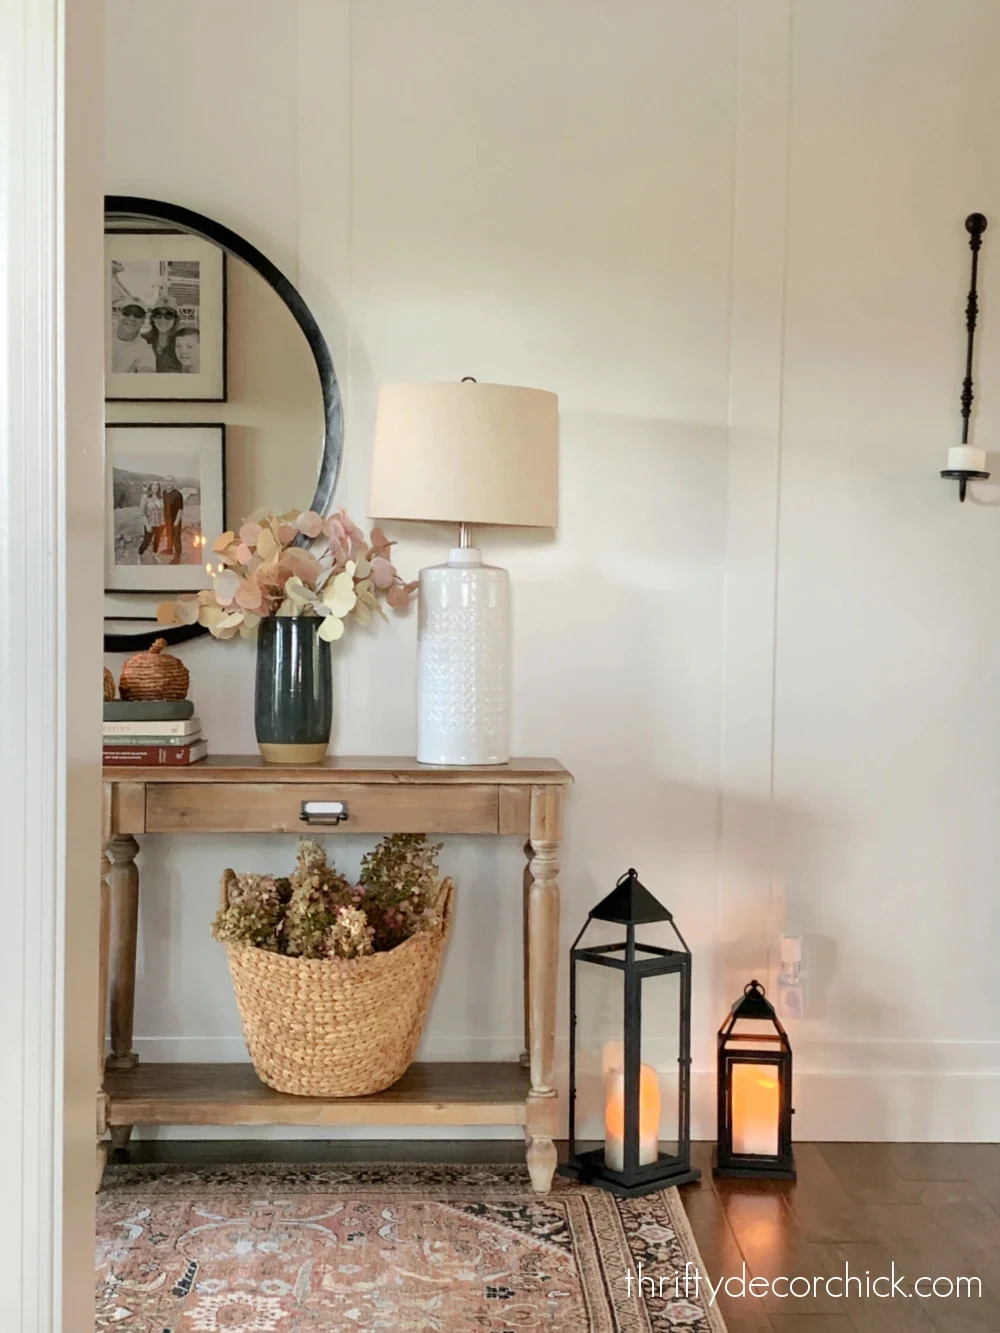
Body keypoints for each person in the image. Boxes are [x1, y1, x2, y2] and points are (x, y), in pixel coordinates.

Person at [112, 300, 156, 374]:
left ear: (143, 320)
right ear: (118, 315)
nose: (132, 318)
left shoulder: (144, 349)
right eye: (127, 312)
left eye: (138, 314)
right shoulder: (102, 334)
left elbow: (147, 375)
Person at [144, 296, 182, 373]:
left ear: (176, 319)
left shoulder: (181, 344)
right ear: (152, 318)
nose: (162, 319)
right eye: (158, 314)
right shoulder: (143, 341)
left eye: (169, 315)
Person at [136, 482, 165, 559]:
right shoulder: (145, 497)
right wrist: (147, 525)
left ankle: (154, 553)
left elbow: (163, 510)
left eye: (157, 485)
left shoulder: (161, 497)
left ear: (159, 487)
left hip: (161, 524)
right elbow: (142, 513)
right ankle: (139, 554)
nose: (155, 486)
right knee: (146, 542)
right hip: (150, 523)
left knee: (157, 540)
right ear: (150, 487)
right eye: (153, 484)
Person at [160, 476, 185, 564]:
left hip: (175, 521)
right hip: (167, 520)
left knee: (176, 539)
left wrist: (176, 523)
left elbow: (180, 510)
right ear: (165, 482)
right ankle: (169, 549)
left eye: (170, 481)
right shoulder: (164, 493)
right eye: (167, 481)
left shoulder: (178, 494)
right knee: (169, 536)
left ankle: (177, 557)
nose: (168, 483)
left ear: (174, 482)